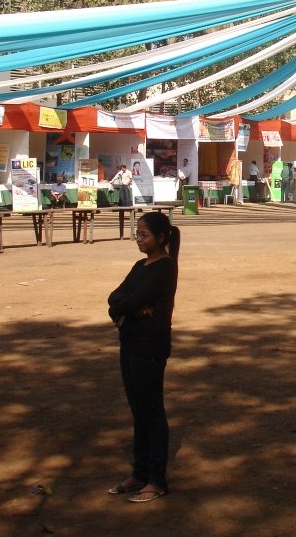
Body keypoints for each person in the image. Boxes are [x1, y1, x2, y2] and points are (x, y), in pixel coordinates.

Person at [107, 212, 180, 504]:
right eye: (137, 234)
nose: (139, 239)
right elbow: (114, 298)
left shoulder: (165, 267)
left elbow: (132, 299)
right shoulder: (140, 266)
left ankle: (156, 479)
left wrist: (128, 306)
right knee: (137, 410)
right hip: (129, 343)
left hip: (150, 346)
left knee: (152, 411)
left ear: (161, 237)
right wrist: (127, 308)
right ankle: (140, 472)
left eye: (144, 235)